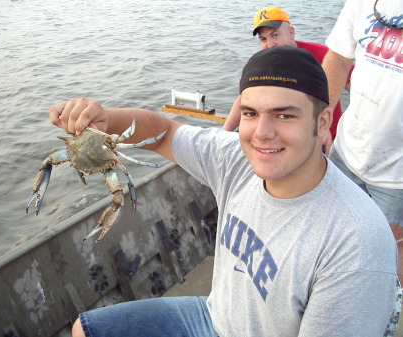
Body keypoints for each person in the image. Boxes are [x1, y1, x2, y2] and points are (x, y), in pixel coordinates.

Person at [50, 47, 399, 337]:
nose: (262, 133)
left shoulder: (356, 244)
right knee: (86, 330)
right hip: (213, 318)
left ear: (322, 122)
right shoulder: (234, 157)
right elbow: (164, 133)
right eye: (250, 113)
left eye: (284, 115)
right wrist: (106, 119)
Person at [321, 0, 403, 280]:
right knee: (330, 231)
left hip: (398, 178)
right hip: (347, 151)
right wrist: (322, 122)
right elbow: (339, 58)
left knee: (388, 253)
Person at [222, 5, 352, 145]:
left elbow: (360, 89)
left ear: (291, 33)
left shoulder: (323, 56)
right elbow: (243, 99)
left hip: (327, 139)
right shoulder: (260, 64)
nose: (270, 44)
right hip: (286, 141)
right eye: (263, 39)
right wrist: (223, 134)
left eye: (275, 35)